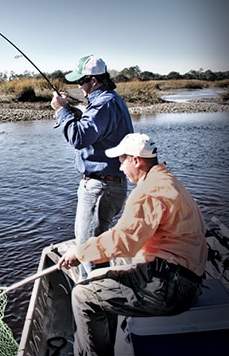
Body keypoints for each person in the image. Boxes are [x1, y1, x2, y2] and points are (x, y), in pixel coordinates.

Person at [58, 133, 208, 356]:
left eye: (122, 161)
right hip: (188, 281)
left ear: (136, 160)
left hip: (171, 289)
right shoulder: (168, 181)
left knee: (83, 295)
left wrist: (80, 252)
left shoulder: (149, 191)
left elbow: (125, 241)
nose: (120, 169)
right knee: (100, 279)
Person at [51, 54, 133, 278]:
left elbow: (79, 137)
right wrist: (75, 113)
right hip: (109, 185)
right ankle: (101, 299)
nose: (79, 86)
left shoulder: (103, 103)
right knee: (96, 249)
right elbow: (96, 130)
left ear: (93, 80)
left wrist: (61, 111)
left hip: (100, 188)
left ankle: (96, 303)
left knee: (88, 254)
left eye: (80, 81)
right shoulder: (111, 100)